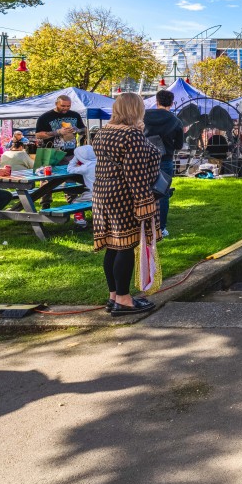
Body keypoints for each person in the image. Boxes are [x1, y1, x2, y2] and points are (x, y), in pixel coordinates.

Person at [91, 93, 160, 315]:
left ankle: (114, 295)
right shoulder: (132, 136)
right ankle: (123, 299)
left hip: (102, 192)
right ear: (136, 110)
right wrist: (145, 204)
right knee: (125, 246)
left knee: (113, 246)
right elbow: (136, 175)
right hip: (124, 194)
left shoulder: (103, 132)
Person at [144, 88, 185, 238]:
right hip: (165, 159)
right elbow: (179, 145)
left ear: (157, 101)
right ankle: (160, 227)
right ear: (172, 103)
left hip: (144, 159)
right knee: (162, 193)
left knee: (142, 190)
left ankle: (143, 223)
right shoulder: (175, 121)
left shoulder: (144, 116)